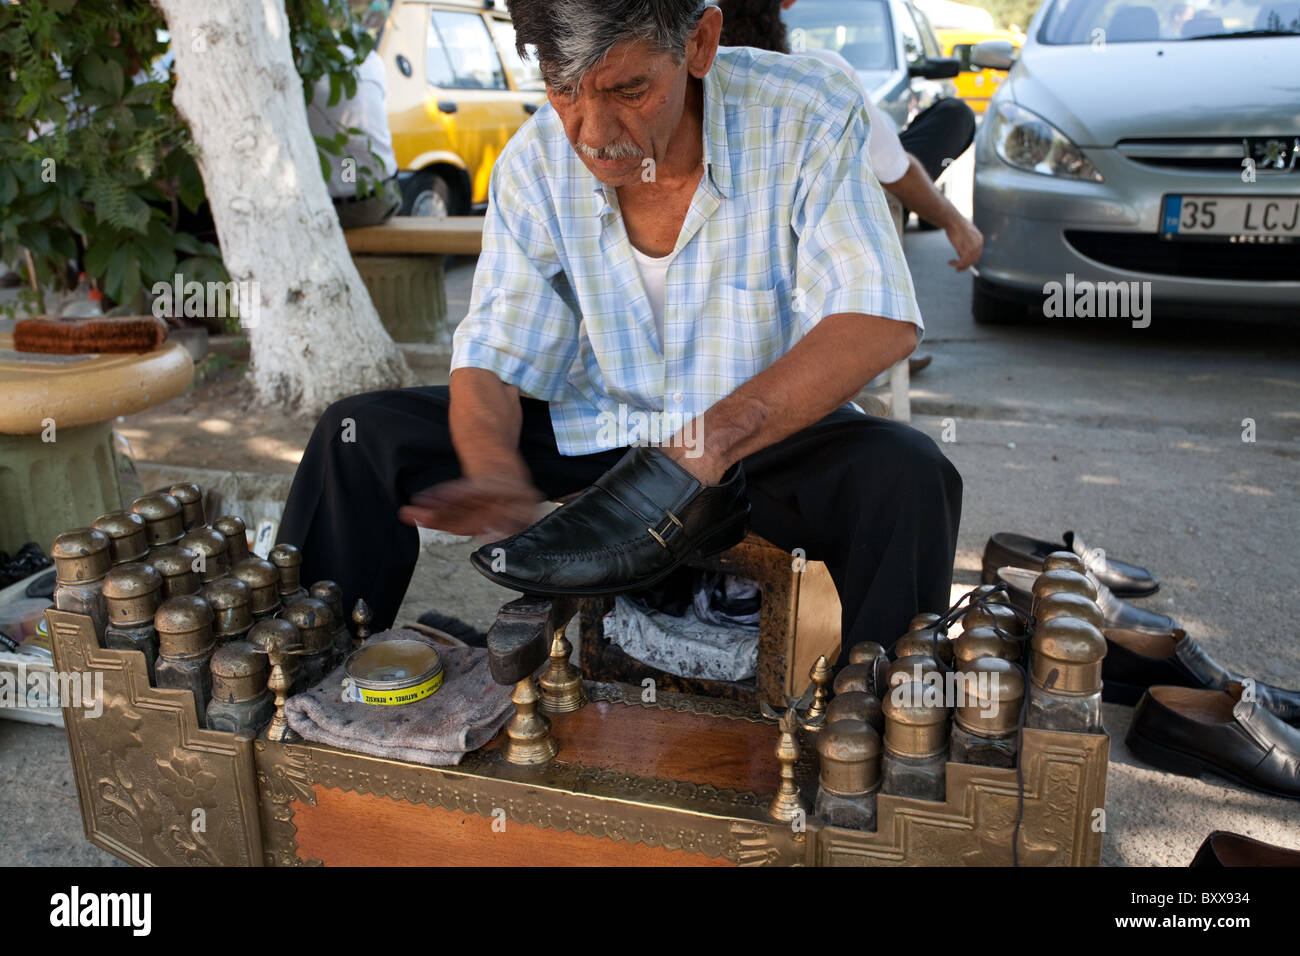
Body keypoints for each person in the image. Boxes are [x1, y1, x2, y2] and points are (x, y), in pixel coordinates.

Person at [277, 0, 962, 664]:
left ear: (699, 43)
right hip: (610, 433)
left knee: (910, 475)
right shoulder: (537, 162)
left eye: (629, 89)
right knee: (360, 435)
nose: (594, 131)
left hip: (759, 444)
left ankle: (875, 730)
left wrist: (705, 444)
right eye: (563, 90)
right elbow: (494, 351)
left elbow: (876, 318)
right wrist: (493, 468)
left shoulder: (804, 110)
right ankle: (301, 679)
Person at [306, 46, 401, 229]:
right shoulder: (370, 60)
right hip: (378, 199)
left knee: (346, 161)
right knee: (349, 157)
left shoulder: (302, 66)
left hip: (330, 205)